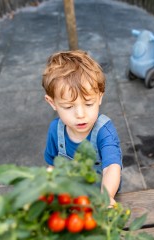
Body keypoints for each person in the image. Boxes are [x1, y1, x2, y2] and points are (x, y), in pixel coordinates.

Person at [42, 50, 122, 207]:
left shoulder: (104, 132)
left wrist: (105, 198)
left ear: (99, 96)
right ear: (52, 103)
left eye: (88, 104)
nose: (80, 114)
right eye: (68, 106)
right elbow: (52, 166)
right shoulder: (55, 131)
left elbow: (111, 168)